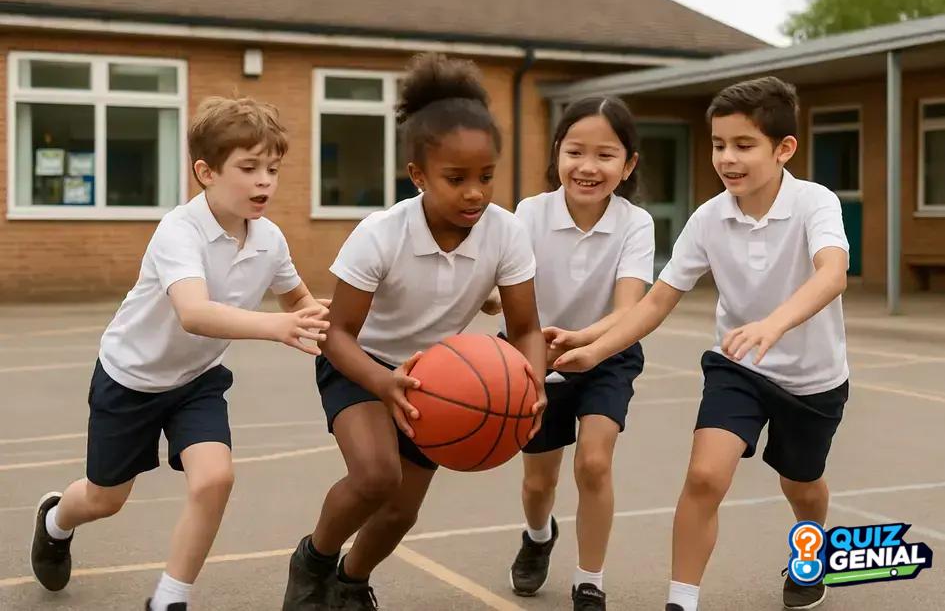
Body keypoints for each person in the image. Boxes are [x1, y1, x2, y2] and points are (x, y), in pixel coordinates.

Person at [552, 77, 850, 611]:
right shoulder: (709, 218)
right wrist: (592, 346)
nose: (727, 158)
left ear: (784, 149)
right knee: (705, 475)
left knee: (802, 487)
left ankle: (813, 549)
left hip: (812, 376)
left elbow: (832, 275)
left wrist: (773, 324)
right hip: (738, 366)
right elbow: (653, 303)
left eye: (743, 145)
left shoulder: (815, 203)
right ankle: (681, 601)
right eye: (718, 145)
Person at [29, 95, 330, 611]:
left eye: (274, 169)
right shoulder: (179, 231)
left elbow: (298, 300)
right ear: (205, 172)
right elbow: (194, 312)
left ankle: (170, 599)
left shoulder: (270, 239)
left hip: (197, 381)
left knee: (216, 477)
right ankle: (56, 520)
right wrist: (277, 326)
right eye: (249, 167)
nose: (265, 181)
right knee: (105, 499)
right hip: (130, 380)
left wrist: (333, 318)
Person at [281, 53, 547, 611]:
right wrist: (382, 384)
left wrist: (533, 381)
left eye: (486, 177)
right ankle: (315, 559)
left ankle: (352, 582)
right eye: (456, 179)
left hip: (435, 377)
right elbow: (336, 334)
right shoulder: (381, 234)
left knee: (402, 510)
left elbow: (525, 328)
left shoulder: (506, 233)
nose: (475, 192)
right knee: (376, 476)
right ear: (418, 176)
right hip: (361, 364)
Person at [484, 96, 653, 611]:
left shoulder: (635, 223)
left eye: (605, 155)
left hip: (607, 353)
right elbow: (502, 294)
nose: (587, 166)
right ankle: (538, 537)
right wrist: (480, 293)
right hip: (535, 354)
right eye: (575, 151)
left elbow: (629, 309)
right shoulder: (528, 215)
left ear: (628, 166)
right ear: (556, 153)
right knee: (539, 483)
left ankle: (589, 581)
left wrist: (583, 341)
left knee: (595, 463)